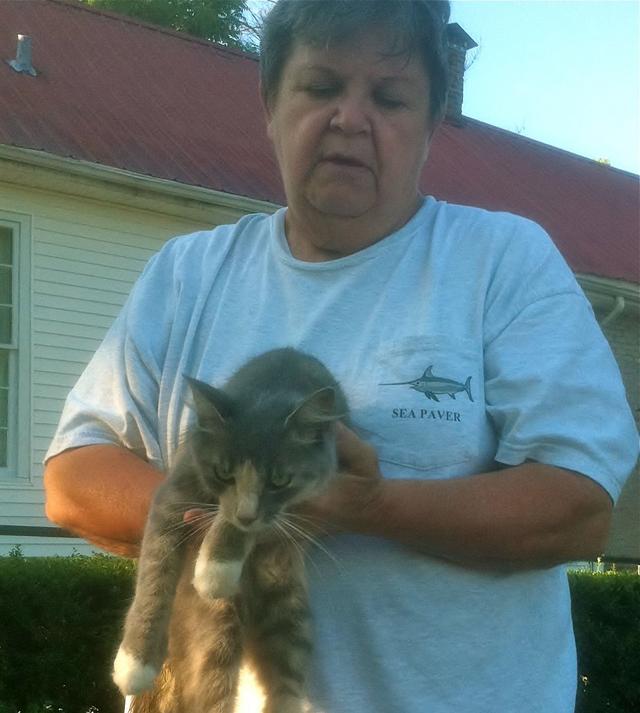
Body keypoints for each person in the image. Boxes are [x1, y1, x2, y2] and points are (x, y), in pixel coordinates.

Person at [43, 1, 638, 712]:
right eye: (321, 86)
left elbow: (576, 509)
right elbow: (73, 479)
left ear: (430, 123)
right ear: (270, 106)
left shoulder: (502, 261)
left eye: (389, 97)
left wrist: (372, 507)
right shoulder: (187, 274)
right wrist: (233, 512)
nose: (350, 119)